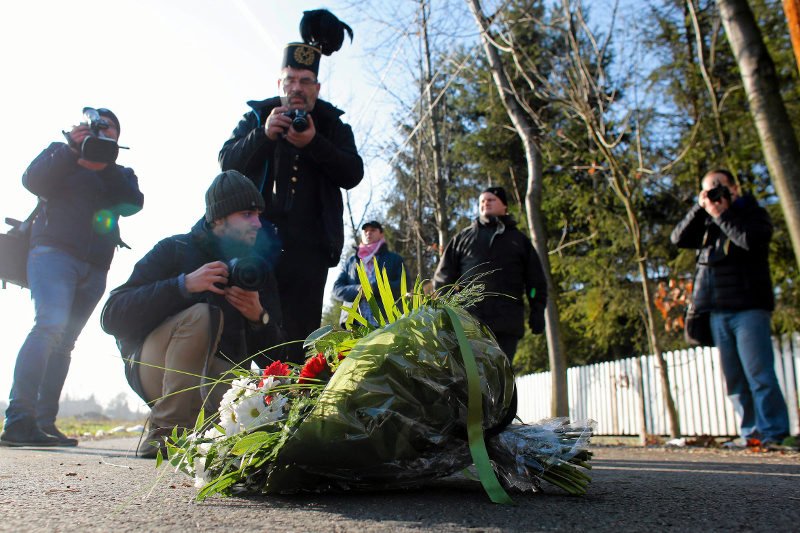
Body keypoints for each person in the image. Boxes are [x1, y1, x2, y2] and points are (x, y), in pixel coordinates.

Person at [100, 170, 285, 458]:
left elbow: (277, 359)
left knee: (268, 409)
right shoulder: (175, 249)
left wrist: (259, 318)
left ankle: (209, 429)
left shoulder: (256, 272)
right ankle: (166, 432)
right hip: (157, 371)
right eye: (248, 214)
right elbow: (111, 316)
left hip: (213, 379)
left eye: (258, 214)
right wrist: (182, 285)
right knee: (202, 314)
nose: (258, 223)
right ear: (219, 218)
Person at [219, 9, 363, 363]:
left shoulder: (332, 125)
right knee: (243, 329)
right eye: (290, 81)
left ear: (316, 87)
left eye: (304, 81)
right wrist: (263, 136)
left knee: (301, 340)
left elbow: (352, 172)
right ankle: (240, 408)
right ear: (279, 84)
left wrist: (314, 143)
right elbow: (226, 163)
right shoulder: (257, 116)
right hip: (256, 245)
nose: (296, 89)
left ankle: (294, 410)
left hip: (310, 252)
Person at [0, 108, 143, 448]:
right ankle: (19, 419)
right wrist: (70, 151)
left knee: (65, 344)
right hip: (52, 253)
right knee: (48, 326)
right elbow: (31, 180)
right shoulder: (60, 153)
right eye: (98, 128)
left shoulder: (120, 172)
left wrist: (103, 165)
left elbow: (133, 204)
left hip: (96, 265)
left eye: (110, 131)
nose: (102, 133)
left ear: (118, 140)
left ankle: (44, 423)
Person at [671, 168, 790, 447]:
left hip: (749, 307)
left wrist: (722, 214)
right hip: (716, 309)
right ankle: (752, 435)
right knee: (734, 380)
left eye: (719, 188)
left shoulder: (752, 213)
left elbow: (750, 240)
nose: (715, 194)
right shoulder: (706, 220)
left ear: (734, 188)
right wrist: (701, 209)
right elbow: (678, 239)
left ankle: (773, 432)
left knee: (759, 375)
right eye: (708, 190)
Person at [433, 187, 547, 362]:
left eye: (491, 199)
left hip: (507, 323)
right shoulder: (462, 239)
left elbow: (535, 282)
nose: (485, 203)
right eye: (482, 201)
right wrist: (446, 309)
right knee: (473, 378)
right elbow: (443, 278)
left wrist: (537, 310)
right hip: (469, 322)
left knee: (501, 375)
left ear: (505, 206)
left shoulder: (519, 241)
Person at [332, 220, 405, 327]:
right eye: (365, 230)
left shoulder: (395, 259)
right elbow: (337, 289)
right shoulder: (350, 262)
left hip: (387, 324)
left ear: (381, 234)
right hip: (354, 325)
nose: (368, 233)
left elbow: (404, 285)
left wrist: (373, 288)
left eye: (373, 230)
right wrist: (359, 290)